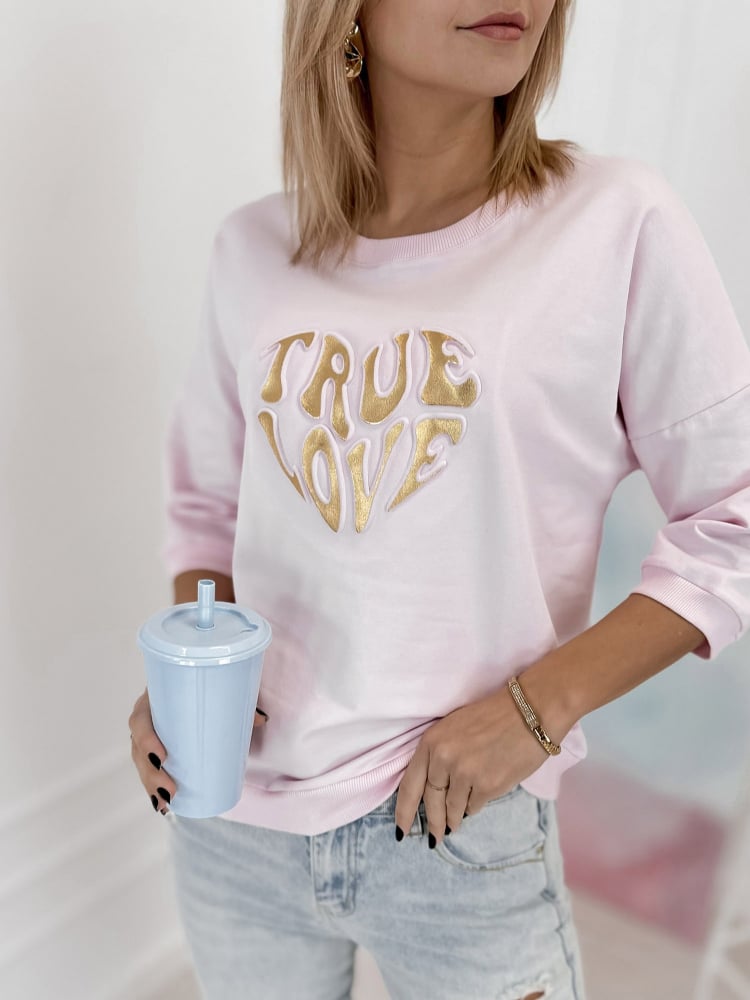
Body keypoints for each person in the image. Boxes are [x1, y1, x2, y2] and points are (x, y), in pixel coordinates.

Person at [128, 1, 750, 997]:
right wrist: (191, 685)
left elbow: (734, 519)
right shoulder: (253, 249)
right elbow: (207, 505)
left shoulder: (614, 222)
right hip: (235, 827)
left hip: (458, 832)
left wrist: (535, 710)